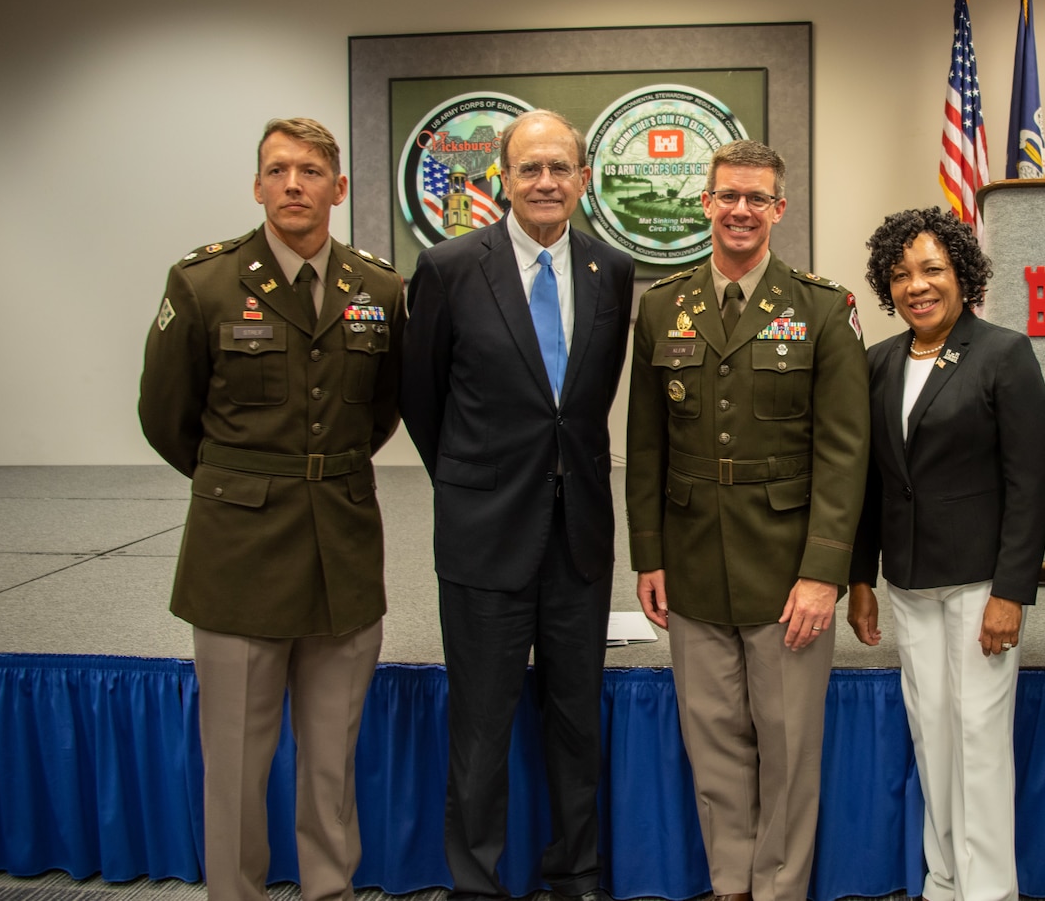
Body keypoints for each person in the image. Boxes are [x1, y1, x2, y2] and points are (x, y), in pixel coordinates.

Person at [138, 117, 404, 901]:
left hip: (342, 551)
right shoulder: (204, 283)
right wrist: (240, 481)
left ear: (339, 188)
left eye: (313, 170)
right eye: (279, 169)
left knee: (331, 761)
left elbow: (383, 411)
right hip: (238, 552)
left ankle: (330, 891)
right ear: (257, 185)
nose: (295, 184)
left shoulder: (379, 288)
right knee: (236, 764)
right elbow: (166, 415)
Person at [400, 110, 635, 901]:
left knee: (576, 722)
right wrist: (477, 482)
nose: (545, 182)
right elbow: (422, 399)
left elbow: (585, 403)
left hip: (578, 541)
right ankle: (476, 883)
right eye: (529, 168)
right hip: (483, 536)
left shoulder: (613, 268)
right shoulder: (448, 265)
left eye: (559, 168)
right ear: (503, 176)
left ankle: (575, 875)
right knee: (481, 727)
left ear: (583, 178)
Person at [626, 139, 869, 901]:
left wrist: (824, 573)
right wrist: (647, 555)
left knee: (790, 750)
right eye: (727, 195)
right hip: (692, 561)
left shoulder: (822, 307)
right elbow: (643, 444)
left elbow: (844, 454)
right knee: (715, 744)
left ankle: (779, 890)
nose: (740, 209)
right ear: (705, 202)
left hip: (789, 569)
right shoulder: (662, 306)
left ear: (778, 209)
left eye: (756, 198)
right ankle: (732, 885)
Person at [846, 206, 1045, 901]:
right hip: (907, 581)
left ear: (962, 272)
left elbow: (1031, 481)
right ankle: (944, 883)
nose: (917, 285)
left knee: (979, 740)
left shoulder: (1003, 352)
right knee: (932, 738)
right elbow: (870, 480)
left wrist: (1011, 592)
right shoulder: (876, 362)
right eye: (901, 273)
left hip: (979, 585)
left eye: (932, 268)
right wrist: (861, 577)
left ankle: (990, 890)